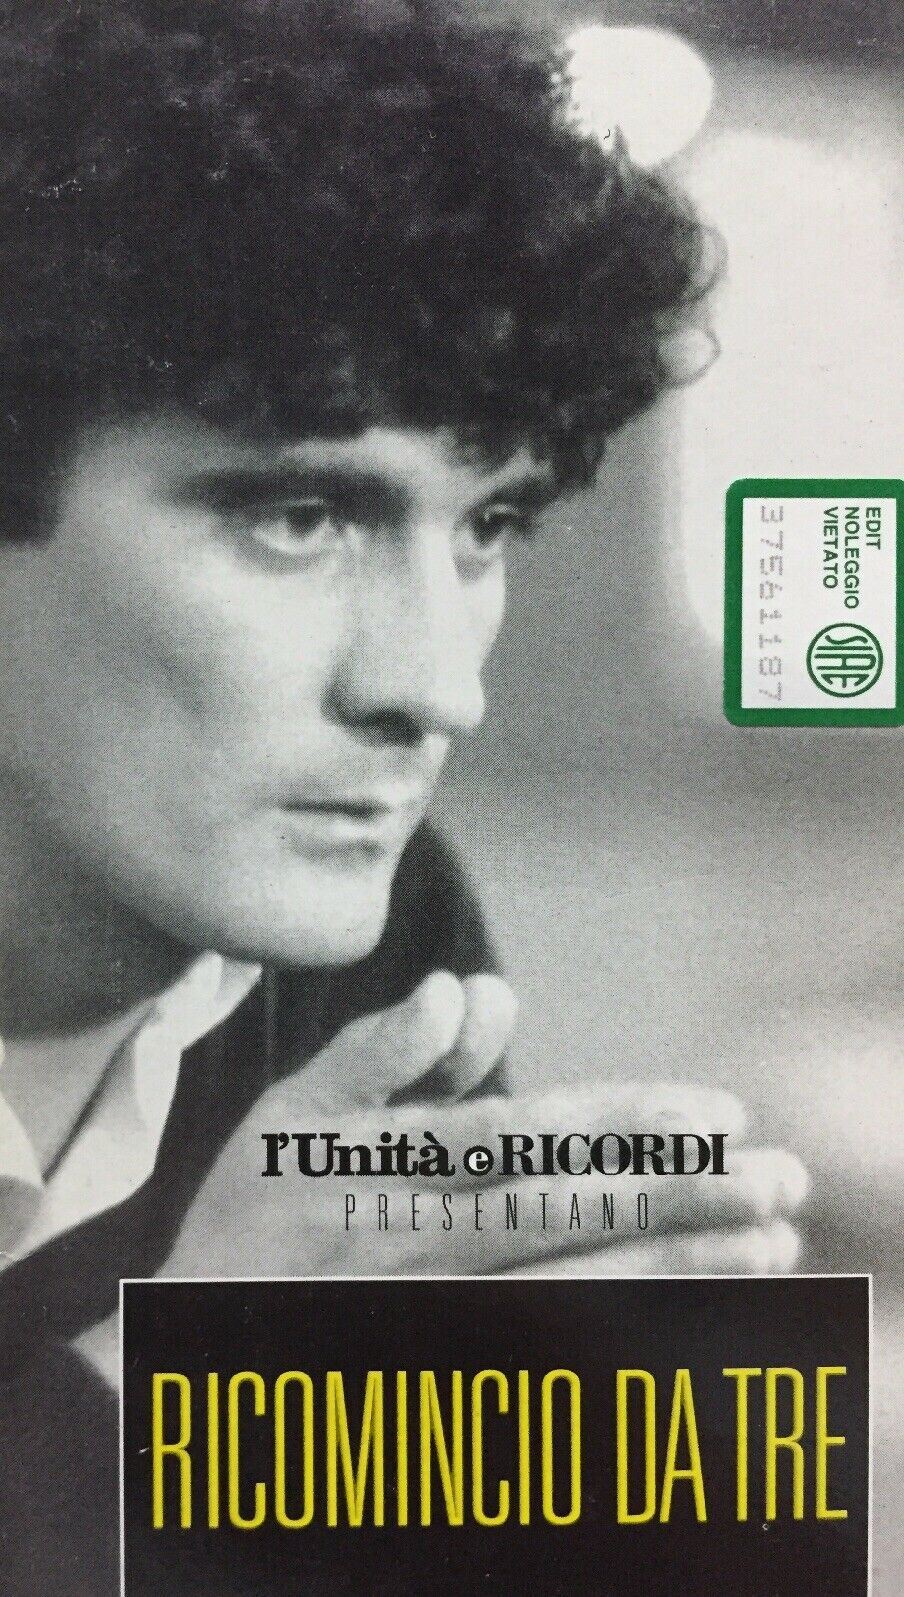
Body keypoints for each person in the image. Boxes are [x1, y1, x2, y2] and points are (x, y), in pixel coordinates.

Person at [0, 1, 807, 1590]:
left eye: (490, 526)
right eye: (300, 514)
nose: (439, 689)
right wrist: (149, 1411)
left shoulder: (372, 944)